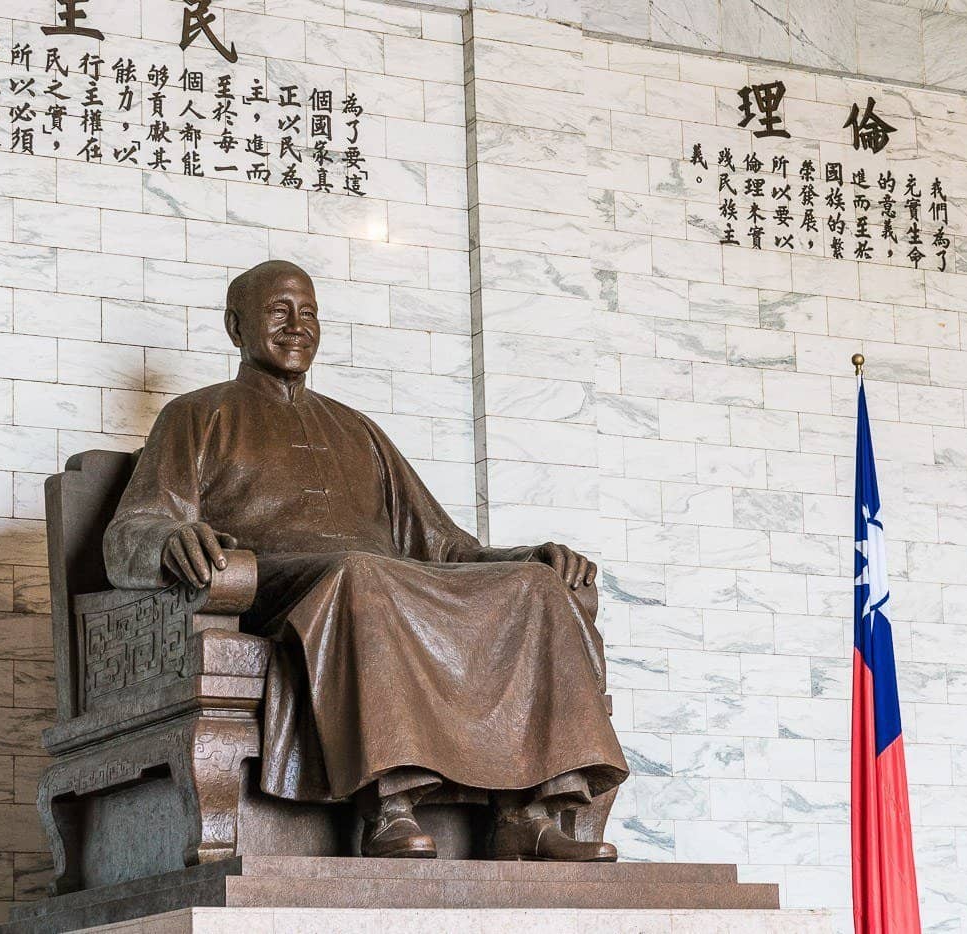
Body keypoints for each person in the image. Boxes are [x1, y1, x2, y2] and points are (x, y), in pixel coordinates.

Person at [103, 260, 628, 861]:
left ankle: (526, 815)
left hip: (380, 583)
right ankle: (389, 808)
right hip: (280, 585)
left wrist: (525, 558)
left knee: (535, 586)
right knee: (364, 573)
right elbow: (129, 532)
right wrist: (171, 542)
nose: (296, 326)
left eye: (309, 313)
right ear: (235, 326)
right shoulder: (197, 416)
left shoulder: (358, 429)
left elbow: (444, 545)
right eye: (278, 311)